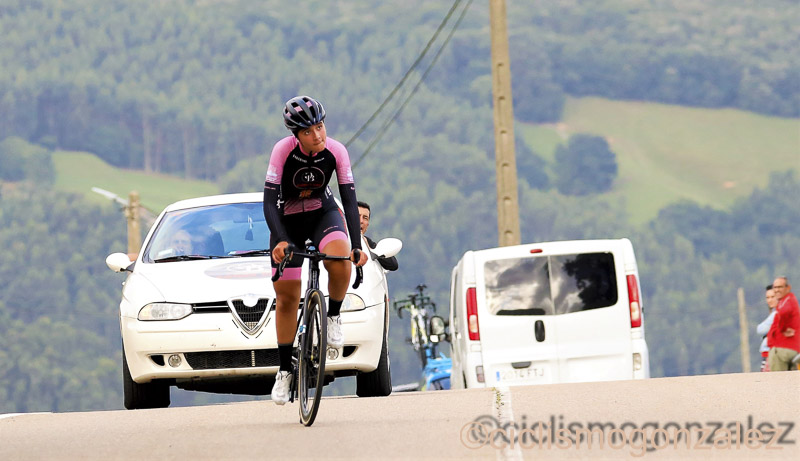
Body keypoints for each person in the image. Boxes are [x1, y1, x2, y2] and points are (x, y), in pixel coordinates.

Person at [263, 95, 367, 404]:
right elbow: (269, 201)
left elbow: (349, 199)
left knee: (340, 256)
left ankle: (333, 315)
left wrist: (357, 246)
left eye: (320, 127)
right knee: (286, 298)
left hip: (323, 213)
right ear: (296, 135)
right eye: (308, 131)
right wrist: (280, 239)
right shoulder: (282, 151)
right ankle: (285, 370)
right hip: (287, 222)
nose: (317, 135)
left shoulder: (337, 151)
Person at [766, 276, 800, 371]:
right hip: (789, 348)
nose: (777, 290)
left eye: (780, 287)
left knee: (777, 378)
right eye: (775, 287)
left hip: (782, 349)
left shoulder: (787, 300)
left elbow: (785, 312)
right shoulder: (785, 301)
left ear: (788, 288)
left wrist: (782, 328)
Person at [358, 201, 398, 272]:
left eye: (365, 218)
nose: (361, 221)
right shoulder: (339, 238)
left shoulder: (369, 243)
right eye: (357, 216)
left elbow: (393, 265)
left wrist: (369, 249)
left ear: (368, 224)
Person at [756, 285, 778, 372]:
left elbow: (760, 330)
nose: (769, 300)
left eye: (772, 297)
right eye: (767, 297)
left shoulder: (776, 314)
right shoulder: (773, 313)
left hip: (771, 353)